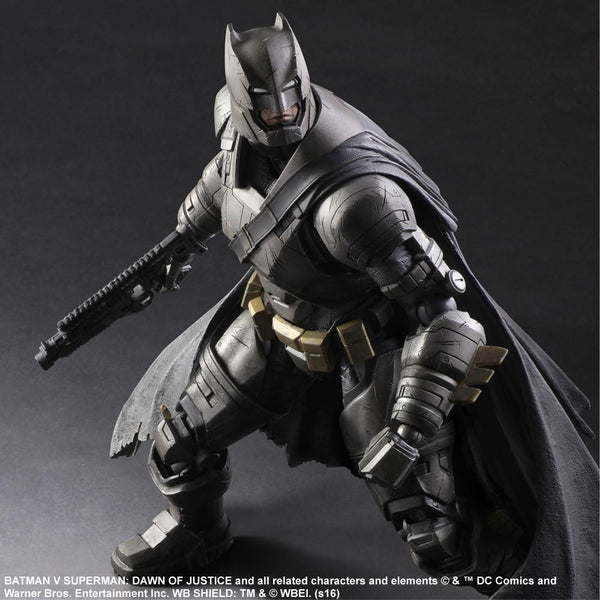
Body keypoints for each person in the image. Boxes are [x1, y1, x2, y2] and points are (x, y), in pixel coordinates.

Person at [109, 14, 598, 599]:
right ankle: (199, 534)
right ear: (240, 105)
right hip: (271, 332)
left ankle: (519, 576)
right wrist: (174, 252)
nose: (281, 116)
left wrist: (411, 425)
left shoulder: (358, 204)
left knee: (430, 528)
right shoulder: (233, 143)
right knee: (179, 441)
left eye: (289, 103)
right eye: (265, 109)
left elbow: (446, 316)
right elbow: (213, 199)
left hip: (366, 348)